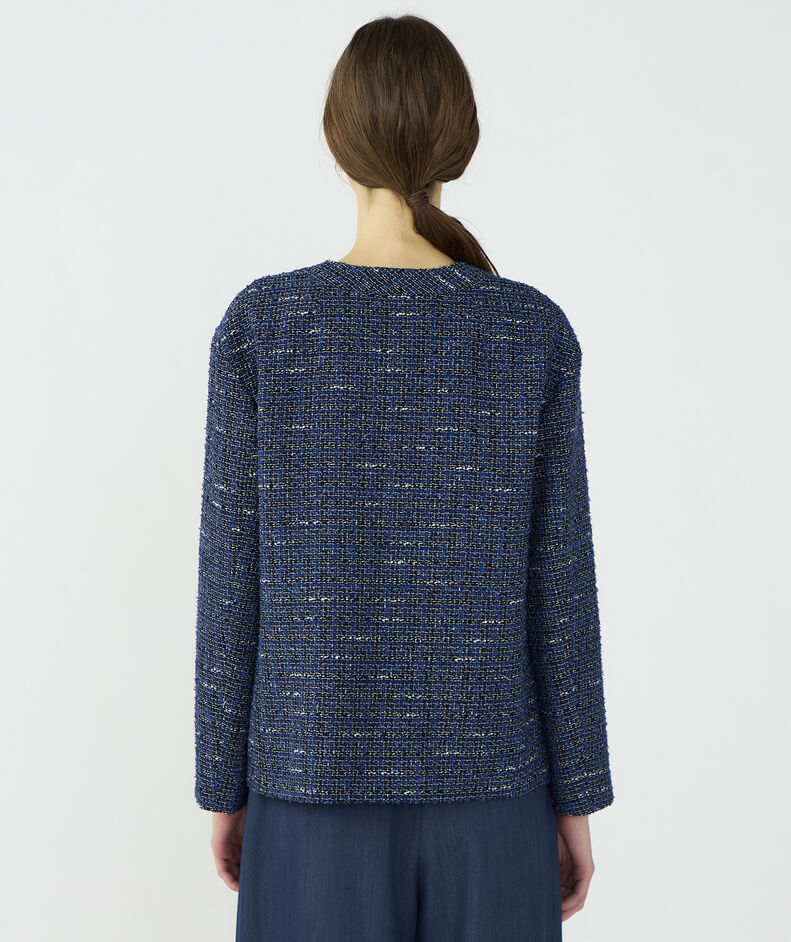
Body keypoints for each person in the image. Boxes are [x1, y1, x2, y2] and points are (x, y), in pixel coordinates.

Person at [194, 14, 614, 941]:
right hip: (494, 796)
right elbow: (560, 588)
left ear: (336, 141)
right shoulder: (530, 332)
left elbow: (231, 583)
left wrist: (222, 786)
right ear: (457, 144)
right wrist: (576, 799)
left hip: (307, 786)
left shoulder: (264, 327)